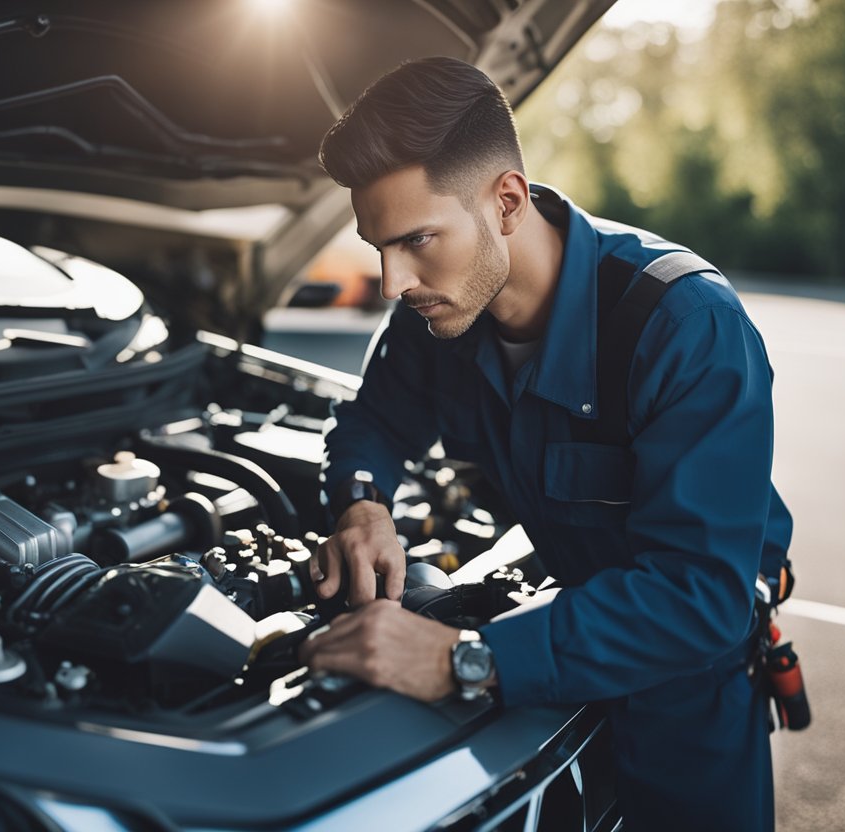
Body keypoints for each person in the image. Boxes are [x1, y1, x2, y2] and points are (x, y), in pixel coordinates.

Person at [297, 57, 793, 832]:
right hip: (552, 647)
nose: (393, 282)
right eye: (377, 247)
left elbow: (699, 598)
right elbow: (376, 421)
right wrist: (363, 503)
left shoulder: (686, 327)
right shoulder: (440, 312)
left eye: (418, 239)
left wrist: (459, 659)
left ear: (507, 201)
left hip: (685, 697)